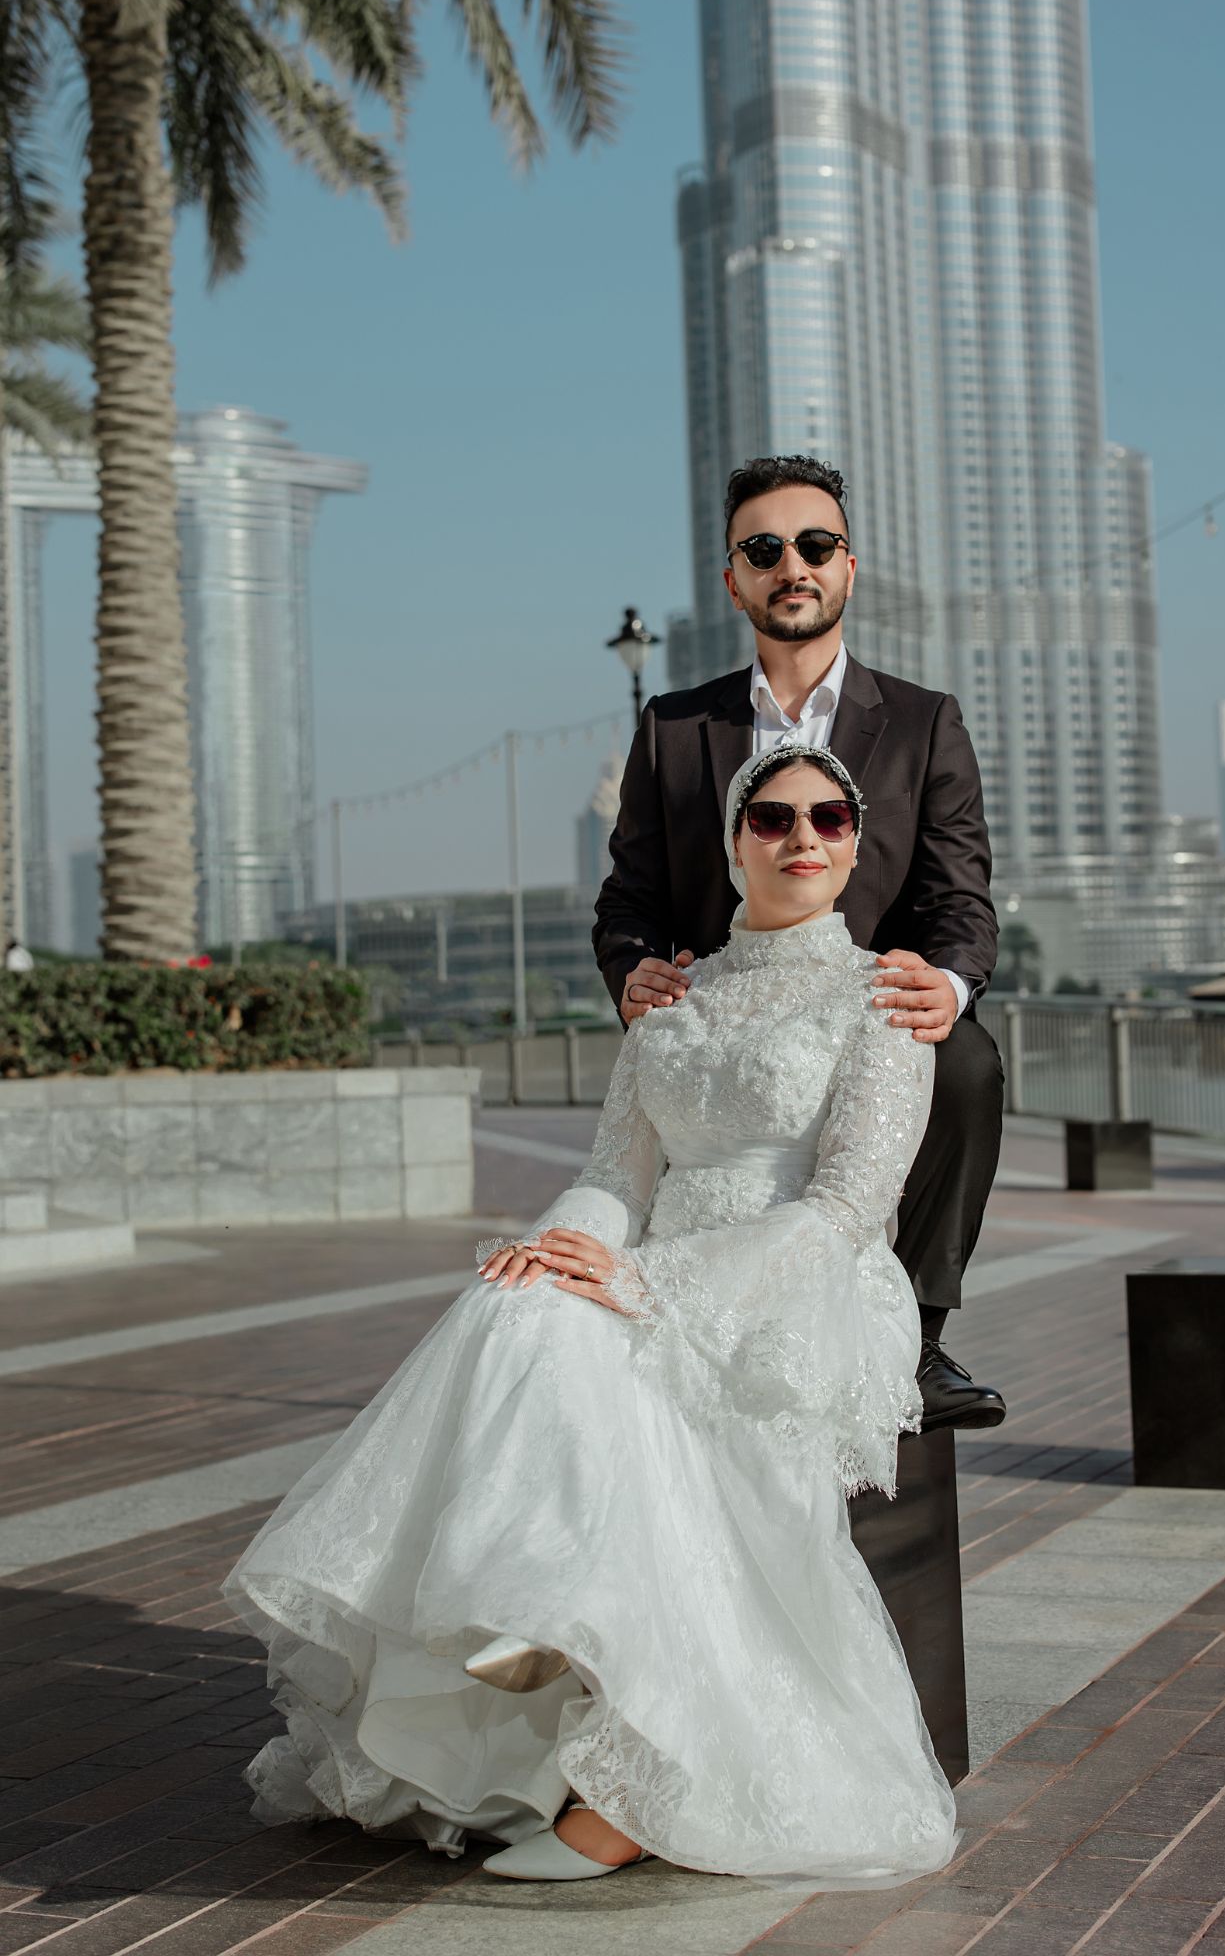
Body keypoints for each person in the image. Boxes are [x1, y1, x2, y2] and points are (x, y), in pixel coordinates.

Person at [223, 745, 956, 1889]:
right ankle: (525, 1610)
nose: (801, 837)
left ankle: (630, 1788)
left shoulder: (883, 998)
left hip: (791, 1287)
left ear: (856, 842)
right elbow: (615, 1174)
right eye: (772, 817)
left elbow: (847, 1207)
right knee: (515, 1305)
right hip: (650, 1260)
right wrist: (553, 1243)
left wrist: (647, 1284)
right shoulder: (670, 997)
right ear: (735, 842)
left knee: (634, 1385)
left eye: (827, 816)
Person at [595, 454, 1005, 1430]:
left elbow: (961, 898)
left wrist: (947, 984)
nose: (793, 565)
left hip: (868, 1008)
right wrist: (632, 968)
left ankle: (914, 1340)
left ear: (847, 566)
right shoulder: (673, 728)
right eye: (765, 549)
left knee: (966, 1063)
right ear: (733, 578)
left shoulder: (923, 722)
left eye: (816, 545)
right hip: (728, 1006)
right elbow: (630, 896)